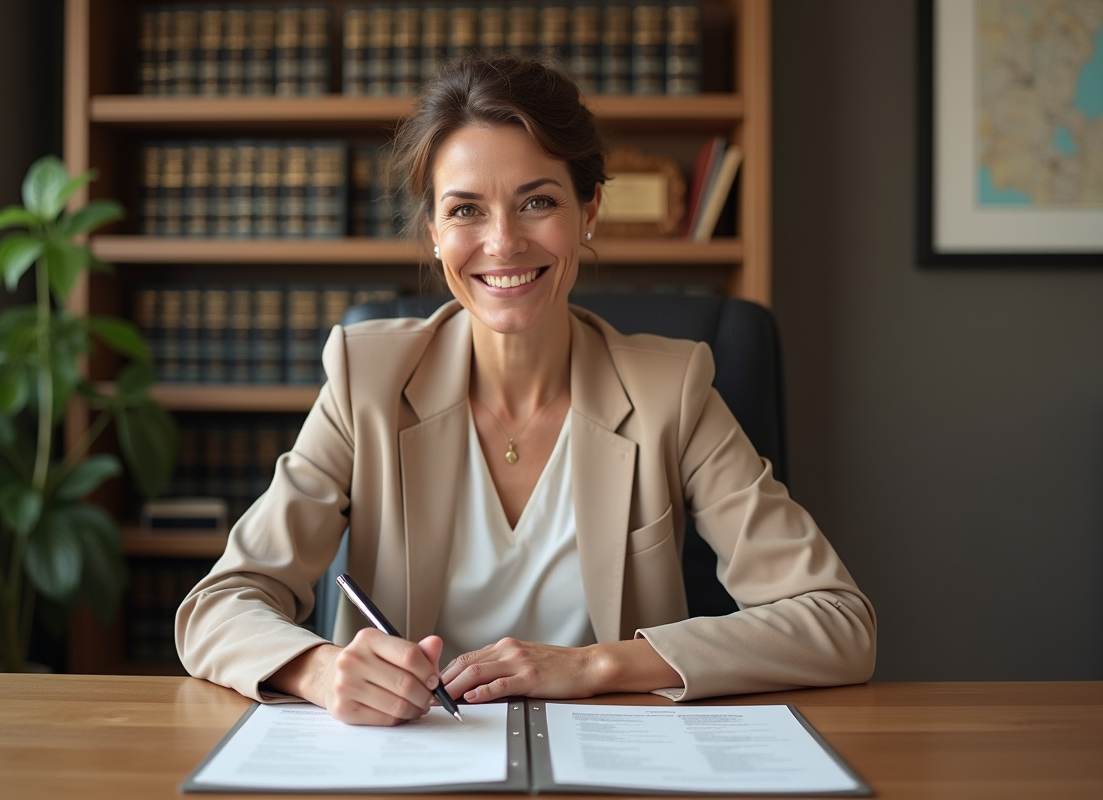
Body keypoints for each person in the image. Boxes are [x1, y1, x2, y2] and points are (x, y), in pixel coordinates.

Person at [176, 54, 876, 727]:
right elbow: (218, 606)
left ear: (589, 208)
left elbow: (838, 622)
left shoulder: (671, 391)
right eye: (465, 210)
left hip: (609, 762)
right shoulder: (369, 379)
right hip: (412, 762)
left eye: (537, 201)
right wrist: (320, 670)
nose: (503, 242)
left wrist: (596, 665)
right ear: (433, 231)